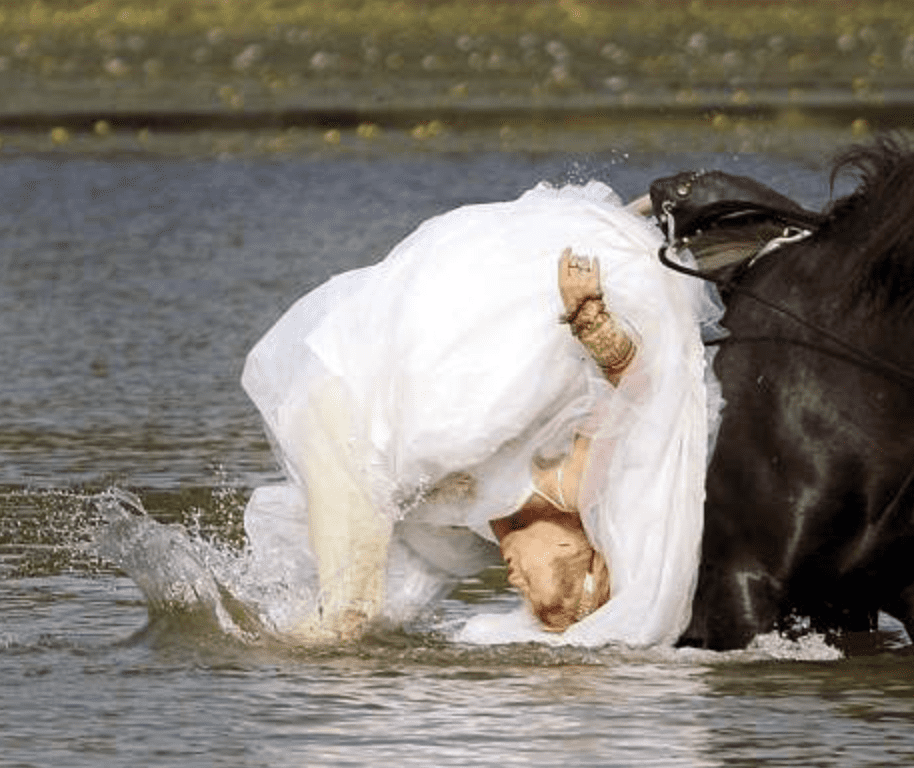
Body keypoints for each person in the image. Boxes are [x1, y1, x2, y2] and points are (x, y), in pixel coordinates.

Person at [241, 181, 723, 646]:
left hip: (358, 429)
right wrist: (588, 314)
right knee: (348, 617)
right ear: (574, 554)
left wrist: (438, 488)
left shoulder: (498, 531)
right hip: (385, 396)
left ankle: (270, 660)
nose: (516, 584)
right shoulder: (577, 486)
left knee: (357, 615)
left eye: (524, 600)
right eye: (541, 591)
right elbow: (636, 390)